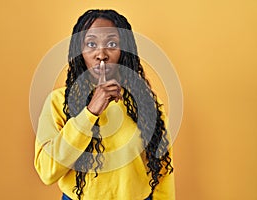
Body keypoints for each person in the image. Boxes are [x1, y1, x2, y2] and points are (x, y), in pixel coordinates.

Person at [34, 9, 175, 200]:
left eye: (111, 44)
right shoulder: (58, 102)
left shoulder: (146, 102)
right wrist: (91, 112)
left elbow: (163, 171)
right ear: (80, 52)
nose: (102, 54)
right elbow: (47, 171)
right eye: (91, 44)